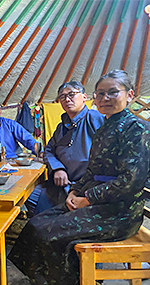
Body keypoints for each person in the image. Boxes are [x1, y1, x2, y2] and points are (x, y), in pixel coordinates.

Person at [8, 70, 150, 285]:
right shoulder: (105, 127)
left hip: (120, 212)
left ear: (130, 95)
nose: (105, 98)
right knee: (37, 223)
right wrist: (76, 191)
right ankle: (81, 284)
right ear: (94, 97)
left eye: (112, 92)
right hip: (97, 202)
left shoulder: (137, 128)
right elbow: (93, 171)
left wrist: (87, 198)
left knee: (50, 233)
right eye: (101, 93)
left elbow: (130, 180)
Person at [24, 81, 104, 216]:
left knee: (42, 213)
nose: (67, 99)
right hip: (61, 184)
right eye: (62, 97)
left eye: (71, 94)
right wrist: (58, 168)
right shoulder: (61, 127)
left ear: (84, 97)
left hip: (85, 186)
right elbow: (48, 150)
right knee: (26, 194)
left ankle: (55, 217)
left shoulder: (93, 118)